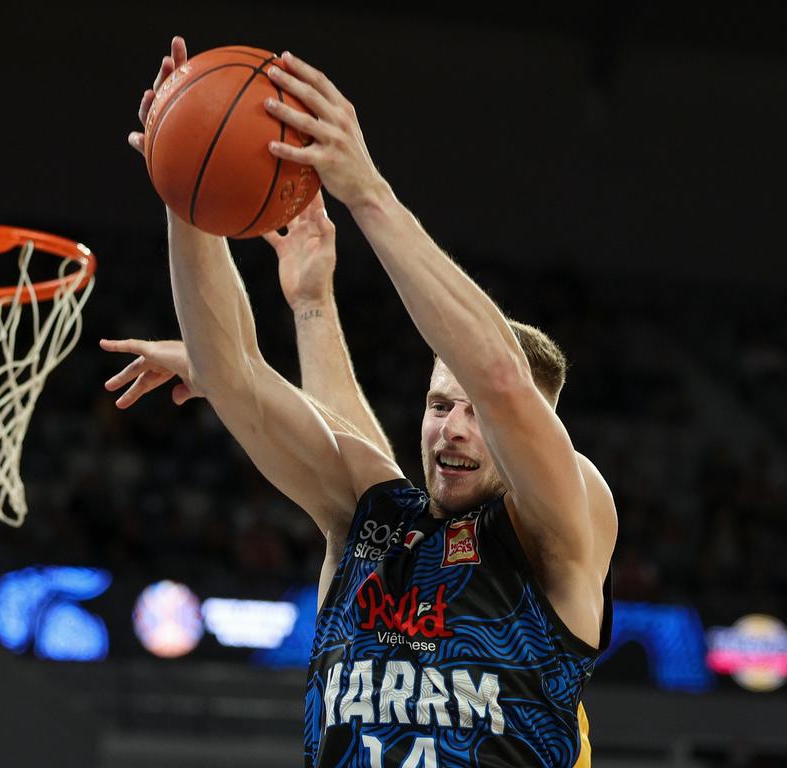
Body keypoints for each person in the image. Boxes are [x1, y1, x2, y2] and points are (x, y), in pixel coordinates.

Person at [106, 36, 615, 768]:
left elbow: (500, 378)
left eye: (475, 413)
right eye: (441, 405)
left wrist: (366, 190)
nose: (455, 428)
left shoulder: (565, 522)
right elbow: (232, 373)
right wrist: (186, 190)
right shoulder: (370, 523)